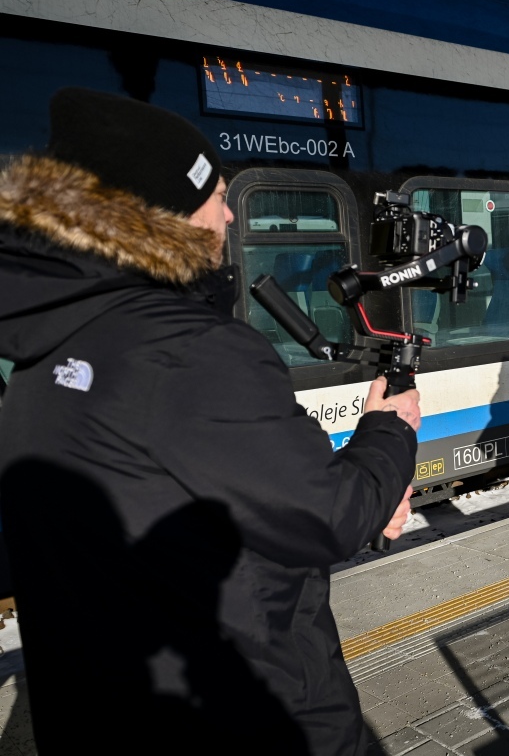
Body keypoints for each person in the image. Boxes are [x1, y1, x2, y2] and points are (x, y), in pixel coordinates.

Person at [0, 88, 420, 755]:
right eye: (218, 195)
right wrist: (389, 430)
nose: (229, 213)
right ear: (167, 212)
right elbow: (327, 515)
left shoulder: (37, 350)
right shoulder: (190, 350)